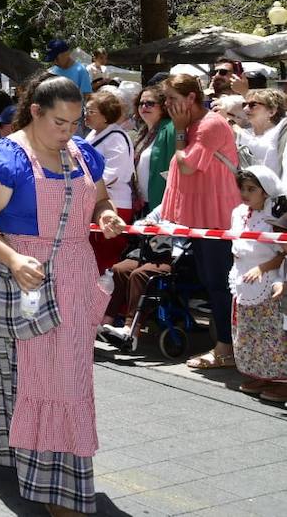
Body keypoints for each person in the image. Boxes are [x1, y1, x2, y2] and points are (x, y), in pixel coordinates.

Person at [0, 73, 125, 516]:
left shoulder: (82, 154)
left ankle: (52, 477)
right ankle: (46, 481)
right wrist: (13, 260)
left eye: (75, 123)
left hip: (74, 275)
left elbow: (99, 199)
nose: (68, 132)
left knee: (66, 377)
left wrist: (107, 214)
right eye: (59, 122)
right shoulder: (6, 157)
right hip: (24, 278)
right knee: (25, 373)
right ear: (35, 111)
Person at [161, 73, 241, 372]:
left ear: (191, 98)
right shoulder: (194, 124)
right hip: (203, 219)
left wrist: (180, 131)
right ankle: (225, 344)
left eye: (171, 98)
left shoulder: (209, 124)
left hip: (217, 218)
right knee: (212, 283)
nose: (167, 104)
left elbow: (188, 165)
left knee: (219, 284)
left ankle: (226, 349)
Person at [227, 166, 287, 402]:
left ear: (266, 191)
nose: (245, 193)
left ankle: (282, 380)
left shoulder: (277, 217)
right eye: (243, 188)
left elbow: (283, 253)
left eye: (251, 189)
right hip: (242, 278)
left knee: (272, 333)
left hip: (270, 280)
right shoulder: (238, 212)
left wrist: (263, 268)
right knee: (251, 332)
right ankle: (262, 375)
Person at [99, 203, 187, 339]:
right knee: (119, 269)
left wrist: (161, 228)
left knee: (139, 275)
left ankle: (131, 329)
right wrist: (147, 224)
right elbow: (139, 223)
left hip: (173, 255)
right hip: (150, 252)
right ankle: (107, 320)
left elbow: (187, 232)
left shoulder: (192, 209)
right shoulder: (165, 205)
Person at [84, 90, 136, 274]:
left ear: (106, 115)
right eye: (86, 110)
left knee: (107, 258)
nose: (86, 115)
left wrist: (85, 187)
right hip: (94, 202)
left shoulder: (116, 138)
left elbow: (113, 174)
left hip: (114, 204)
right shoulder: (92, 135)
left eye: (91, 112)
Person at [131, 88, 175, 215]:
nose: (144, 106)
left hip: (162, 203)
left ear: (163, 106)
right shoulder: (142, 133)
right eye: (141, 103)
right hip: (141, 204)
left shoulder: (170, 128)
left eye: (150, 103)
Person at [242, 89, 287, 177]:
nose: (245, 109)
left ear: (271, 111)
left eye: (252, 105)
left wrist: (239, 135)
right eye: (244, 104)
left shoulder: (282, 135)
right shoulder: (245, 132)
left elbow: (263, 150)